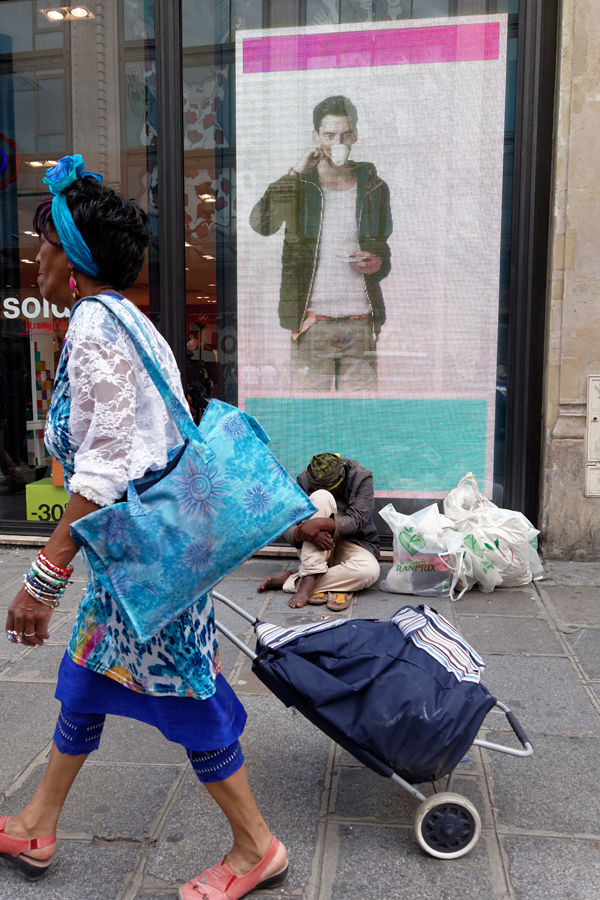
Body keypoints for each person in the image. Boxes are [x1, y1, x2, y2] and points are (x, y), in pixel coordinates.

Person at [1, 156, 288, 900]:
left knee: (185, 694)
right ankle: (37, 819)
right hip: (144, 553)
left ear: (70, 259)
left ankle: (257, 846)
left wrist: (42, 578)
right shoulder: (132, 318)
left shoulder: (96, 326)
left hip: (148, 560)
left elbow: (101, 472)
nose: (36, 257)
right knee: (87, 678)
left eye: (46, 244)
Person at [250, 95, 393, 392]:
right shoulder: (300, 186)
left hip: (361, 322)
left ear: (354, 136)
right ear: (316, 137)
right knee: (311, 423)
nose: (336, 142)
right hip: (312, 323)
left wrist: (377, 261)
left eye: (344, 134)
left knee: (360, 421)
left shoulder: (374, 186)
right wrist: (296, 171)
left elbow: (383, 249)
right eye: (329, 135)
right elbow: (262, 224)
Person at [258, 453, 380, 611]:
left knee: (369, 571)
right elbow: (285, 522)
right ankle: (309, 579)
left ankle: (292, 580)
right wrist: (305, 533)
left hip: (354, 543)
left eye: (332, 488)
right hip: (315, 547)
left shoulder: (361, 477)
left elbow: (356, 521)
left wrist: (319, 523)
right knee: (321, 496)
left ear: (342, 478)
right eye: (315, 485)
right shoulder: (304, 480)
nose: (325, 490)